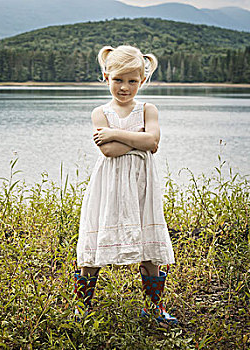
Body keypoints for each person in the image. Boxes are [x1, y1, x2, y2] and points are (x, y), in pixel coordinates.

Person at [74, 45, 178, 326]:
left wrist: (117, 134)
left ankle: (153, 309)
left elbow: (153, 142)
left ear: (142, 81)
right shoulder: (100, 112)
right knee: (94, 246)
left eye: (132, 81)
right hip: (109, 186)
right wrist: (137, 139)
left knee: (148, 248)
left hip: (142, 184)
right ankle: (82, 307)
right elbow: (107, 151)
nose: (124, 87)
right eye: (118, 80)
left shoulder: (148, 109)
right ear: (106, 76)